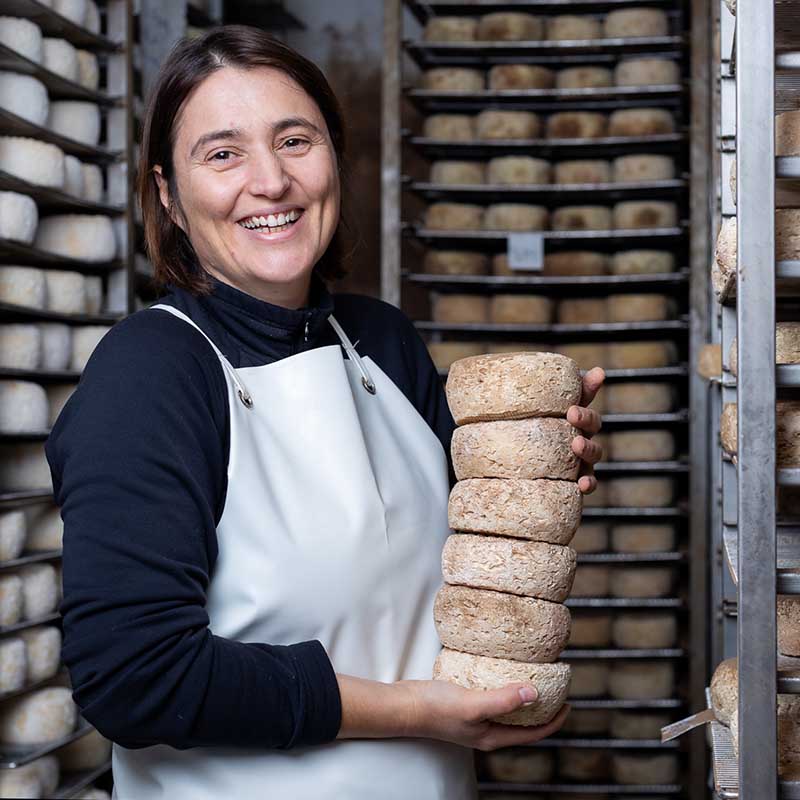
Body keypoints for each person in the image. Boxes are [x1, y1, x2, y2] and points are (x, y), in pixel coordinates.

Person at [45, 26, 605, 800]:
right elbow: (134, 678)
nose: (271, 181)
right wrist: (415, 712)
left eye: (295, 140)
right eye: (223, 153)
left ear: (334, 158)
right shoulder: (149, 374)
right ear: (168, 195)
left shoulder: (383, 342)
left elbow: (483, 549)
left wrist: (543, 465)